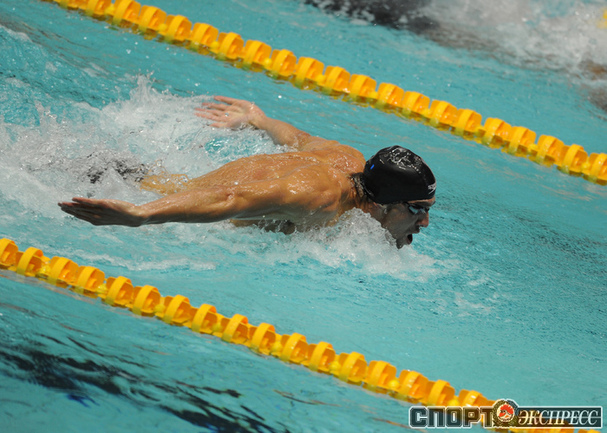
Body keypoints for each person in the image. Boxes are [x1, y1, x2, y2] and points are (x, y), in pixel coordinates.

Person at [59, 96, 436, 248]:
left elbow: (300, 139)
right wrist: (141, 215)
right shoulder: (320, 197)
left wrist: (258, 119)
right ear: (386, 203)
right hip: (142, 191)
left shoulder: (349, 159)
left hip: (140, 177)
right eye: (418, 209)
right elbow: (230, 198)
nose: (425, 223)